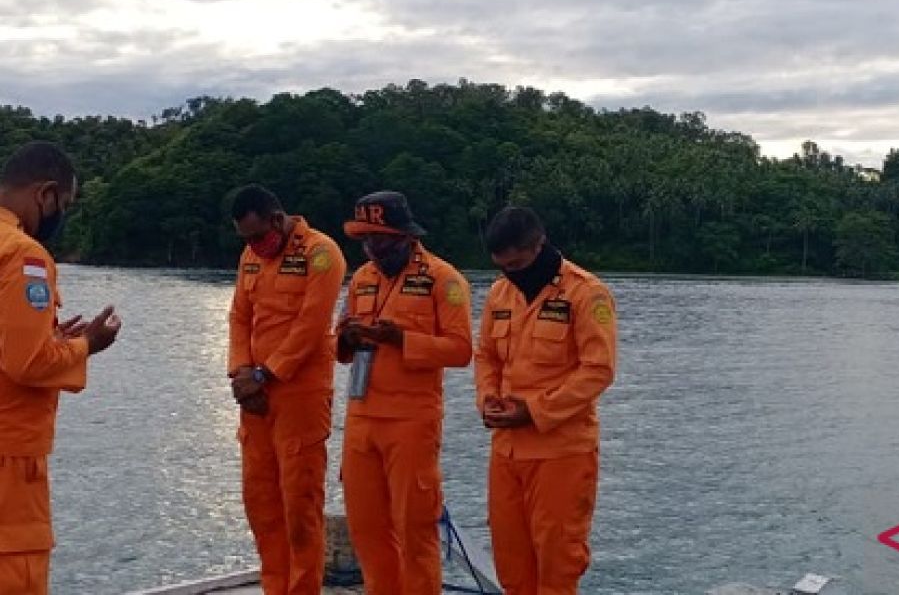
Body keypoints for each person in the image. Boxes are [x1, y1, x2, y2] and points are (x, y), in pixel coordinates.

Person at [474, 206, 618, 595]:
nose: (511, 273)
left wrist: (535, 411)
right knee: (510, 562)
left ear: (539, 246)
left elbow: (598, 370)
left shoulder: (586, 293)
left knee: (558, 562)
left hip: (561, 454)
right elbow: (486, 354)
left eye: (518, 263)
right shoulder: (500, 293)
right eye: (502, 266)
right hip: (506, 452)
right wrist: (487, 399)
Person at [0, 141, 122, 595]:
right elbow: (26, 363)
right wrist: (87, 345)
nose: (60, 215)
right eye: (64, 205)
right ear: (45, 195)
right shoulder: (24, 256)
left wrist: (51, 338)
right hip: (9, 465)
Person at [336, 191, 473, 595]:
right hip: (361, 420)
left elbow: (462, 349)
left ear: (405, 237)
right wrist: (345, 338)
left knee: (415, 533)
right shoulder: (361, 278)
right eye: (366, 241)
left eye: (381, 241)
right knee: (367, 531)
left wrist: (402, 340)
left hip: (412, 423)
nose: (373, 249)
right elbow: (338, 342)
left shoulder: (443, 280)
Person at [227, 184, 346, 595]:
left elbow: (311, 328)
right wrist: (241, 373)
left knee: (300, 508)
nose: (254, 246)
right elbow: (240, 318)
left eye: (258, 236)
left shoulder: (321, 254)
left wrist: (265, 374)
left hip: (302, 396)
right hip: (256, 398)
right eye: (246, 239)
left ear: (277, 219)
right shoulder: (250, 258)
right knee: (261, 503)